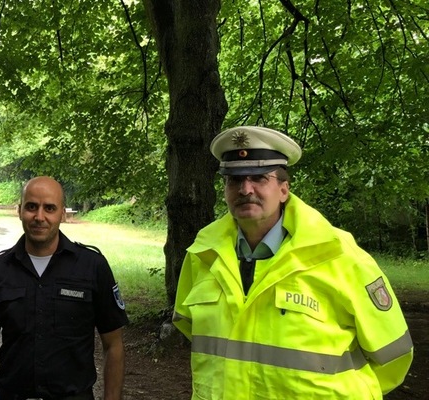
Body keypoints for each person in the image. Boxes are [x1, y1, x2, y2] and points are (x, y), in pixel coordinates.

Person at [173, 126, 414, 399]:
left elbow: (394, 356)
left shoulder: (340, 255)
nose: (245, 189)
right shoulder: (202, 253)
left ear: (284, 189)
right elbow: (195, 331)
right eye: (234, 180)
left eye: (259, 178)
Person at [0, 176, 129, 400]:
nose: (39, 217)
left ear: (62, 214)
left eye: (50, 208)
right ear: (19, 211)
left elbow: (113, 345)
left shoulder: (92, 267)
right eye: (31, 207)